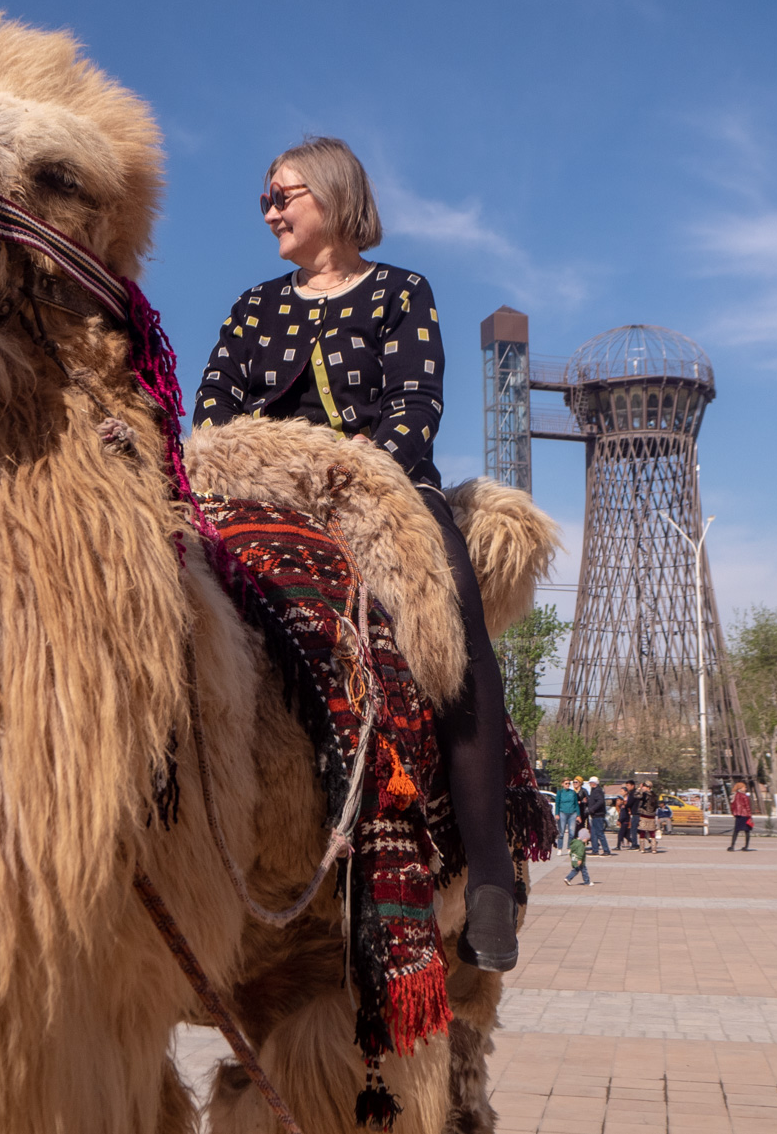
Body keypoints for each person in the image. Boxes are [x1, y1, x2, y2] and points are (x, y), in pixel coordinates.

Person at [192, 137, 521, 971]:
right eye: (265, 199)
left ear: (334, 197)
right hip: (261, 487)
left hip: (383, 484)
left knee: (453, 626)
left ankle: (489, 872)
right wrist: (268, 470)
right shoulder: (253, 305)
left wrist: (357, 472)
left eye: (284, 195)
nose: (270, 211)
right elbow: (214, 405)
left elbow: (415, 403)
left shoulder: (402, 292)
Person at [584, 776, 611, 855]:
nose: (589, 784)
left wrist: (592, 809)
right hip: (595, 815)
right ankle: (595, 850)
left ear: (594, 783)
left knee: (600, 833)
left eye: (590, 783)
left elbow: (600, 802)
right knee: (593, 834)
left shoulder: (597, 791)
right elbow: (594, 801)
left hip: (598, 815)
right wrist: (588, 801)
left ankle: (606, 850)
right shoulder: (594, 791)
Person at [555, 779, 580, 851]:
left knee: (571, 832)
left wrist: (578, 815)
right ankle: (560, 848)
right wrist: (557, 814)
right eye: (566, 783)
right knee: (561, 832)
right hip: (562, 812)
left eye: (569, 783)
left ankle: (569, 848)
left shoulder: (573, 792)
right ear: (562, 784)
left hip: (572, 813)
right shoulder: (560, 792)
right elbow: (557, 804)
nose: (568, 785)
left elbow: (576, 804)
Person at [727, 782, 753, 851]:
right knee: (747, 831)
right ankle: (746, 846)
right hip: (745, 815)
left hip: (738, 815)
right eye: (744, 787)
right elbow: (747, 806)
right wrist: (750, 815)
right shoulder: (745, 796)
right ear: (740, 788)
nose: (745, 788)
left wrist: (734, 813)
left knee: (736, 831)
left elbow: (732, 805)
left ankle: (732, 846)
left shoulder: (734, 795)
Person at [638, 786, 658, 854]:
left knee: (642, 832)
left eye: (644, 787)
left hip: (644, 814)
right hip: (652, 815)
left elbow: (636, 796)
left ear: (648, 787)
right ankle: (654, 849)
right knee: (652, 832)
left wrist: (639, 789)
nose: (643, 788)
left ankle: (642, 848)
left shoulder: (644, 794)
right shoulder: (654, 795)